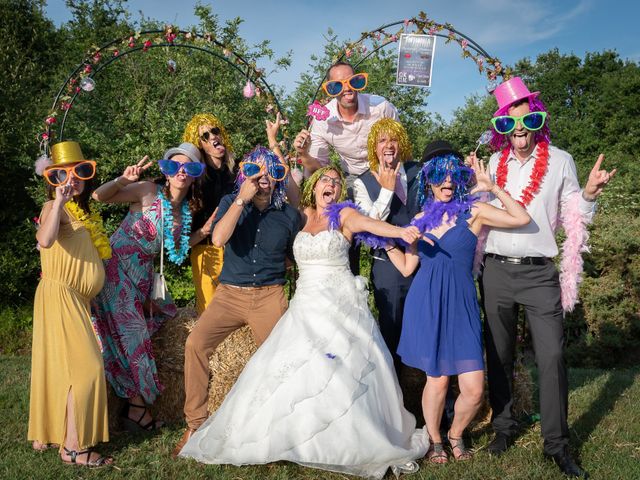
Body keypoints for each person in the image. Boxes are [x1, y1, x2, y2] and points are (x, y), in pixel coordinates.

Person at [178, 166, 429, 479]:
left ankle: (346, 436)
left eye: (337, 182)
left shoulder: (346, 214)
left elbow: (372, 224)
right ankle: (276, 431)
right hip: (305, 304)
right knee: (286, 369)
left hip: (340, 304)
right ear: (315, 185)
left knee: (339, 370)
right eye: (326, 179)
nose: (332, 185)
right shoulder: (299, 215)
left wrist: (399, 232)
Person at [479, 77, 615, 478]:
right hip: (497, 270)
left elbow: (576, 216)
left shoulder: (560, 160)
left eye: (526, 122)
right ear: (501, 126)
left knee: (552, 356)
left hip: (540, 274)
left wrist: (588, 194)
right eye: (509, 124)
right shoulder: (493, 164)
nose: (518, 131)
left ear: (538, 121)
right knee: (499, 355)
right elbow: (480, 215)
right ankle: (503, 428)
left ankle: (556, 444)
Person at [387, 149, 530, 464]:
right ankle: (436, 440)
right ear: (430, 184)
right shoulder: (420, 219)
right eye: (440, 177)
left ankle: (456, 433)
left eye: (453, 176)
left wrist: (493, 189)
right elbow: (409, 268)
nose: (448, 182)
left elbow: (520, 218)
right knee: (436, 380)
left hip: (461, 304)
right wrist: (385, 243)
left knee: (474, 388)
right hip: (427, 303)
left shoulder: (475, 211)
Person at [173, 145, 302, 457]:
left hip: (270, 294)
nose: (264, 177)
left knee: (279, 359)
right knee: (195, 344)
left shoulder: (288, 216)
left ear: (279, 179)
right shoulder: (232, 202)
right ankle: (196, 422)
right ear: (245, 176)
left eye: (272, 171)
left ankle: (275, 430)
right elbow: (218, 239)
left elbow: (293, 258)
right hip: (229, 294)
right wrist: (242, 199)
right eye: (255, 171)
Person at [92, 142, 205, 432]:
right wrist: (122, 180)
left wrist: (204, 232)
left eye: (189, 167)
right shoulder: (147, 191)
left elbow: (176, 251)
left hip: (142, 274)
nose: (181, 171)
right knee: (135, 337)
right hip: (116, 269)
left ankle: (134, 405)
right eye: (173, 166)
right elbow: (99, 196)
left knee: (162, 317)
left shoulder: (184, 212)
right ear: (166, 172)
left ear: (195, 176)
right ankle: (138, 408)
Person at [29, 141, 112, 466]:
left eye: (79, 171)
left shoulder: (81, 210)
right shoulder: (54, 207)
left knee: (61, 370)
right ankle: (73, 449)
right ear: (53, 178)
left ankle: (50, 434)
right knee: (88, 370)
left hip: (75, 299)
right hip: (60, 295)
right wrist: (59, 200)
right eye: (63, 173)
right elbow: (45, 240)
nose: (72, 178)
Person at [352, 118, 421, 374]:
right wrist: (386, 190)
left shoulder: (419, 171)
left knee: (426, 327)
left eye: (393, 139)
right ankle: (396, 400)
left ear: (401, 143)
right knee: (392, 331)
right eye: (382, 140)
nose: (388, 145)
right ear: (374, 147)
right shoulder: (362, 183)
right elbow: (369, 223)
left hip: (423, 261)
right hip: (388, 267)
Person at [293, 61, 398, 187]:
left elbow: (401, 144)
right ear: (330, 90)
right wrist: (303, 153)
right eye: (337, 85)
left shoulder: (381, 107)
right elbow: (318, 169)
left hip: (389, 168)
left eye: (353, 81)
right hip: (354, 178)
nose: (347, 88)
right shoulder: (322, 121)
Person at [183, 114, 237, 314]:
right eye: (205, 135)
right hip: (205, 252)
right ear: (199, 144)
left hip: (237, 250)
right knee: (210, 314)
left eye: (215, 131)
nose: (213, 136)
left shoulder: (238, 171)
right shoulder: (193, 180)